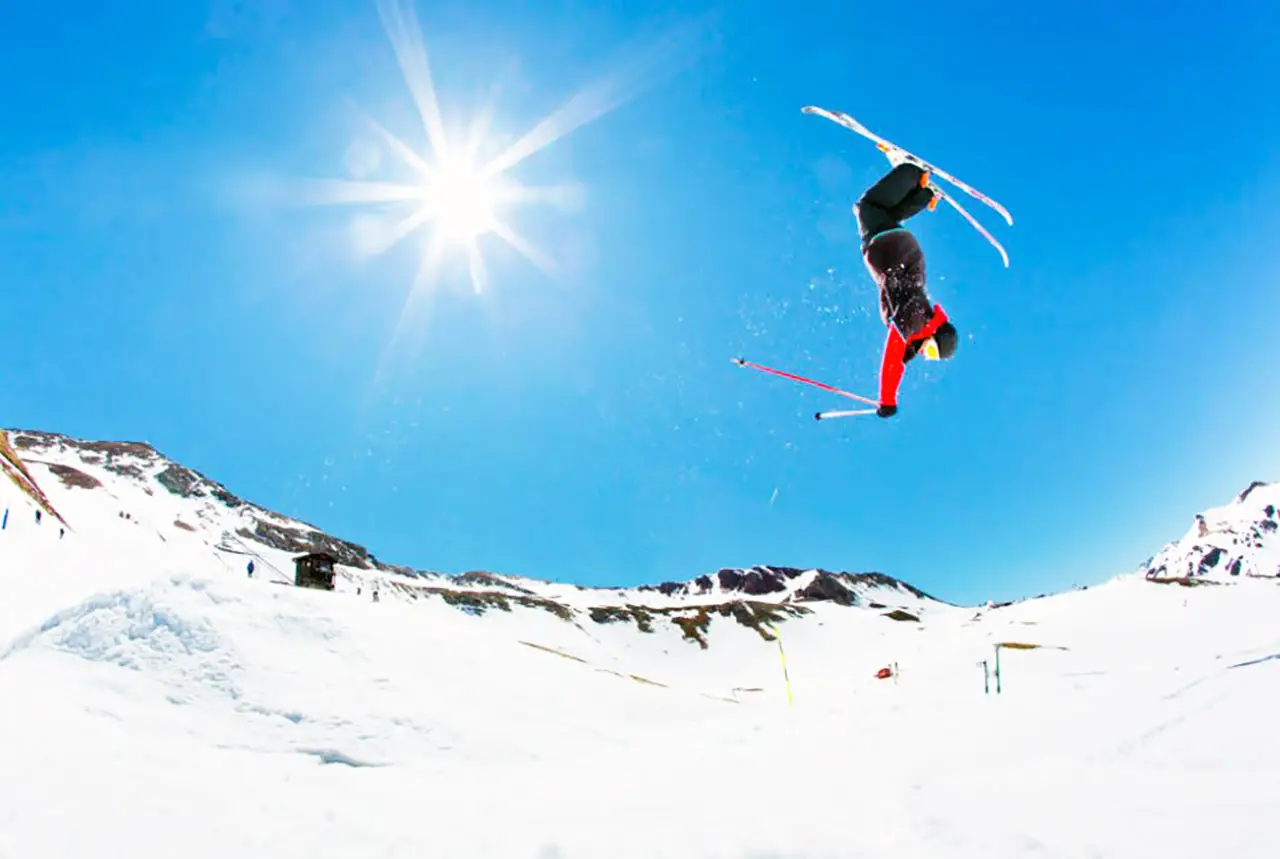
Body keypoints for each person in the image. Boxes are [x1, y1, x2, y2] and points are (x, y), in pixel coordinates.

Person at [853, 158, 959, 417]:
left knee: (885, 214)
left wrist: (887, 401)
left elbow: (901, 358)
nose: (926, 354)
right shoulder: (916, 321)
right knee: (866, 207)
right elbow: (893, 359)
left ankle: (924, 194)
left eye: (931, 356)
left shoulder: (919, 322)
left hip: (898, 247)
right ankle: (912, 172)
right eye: (932, 350)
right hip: (890, 249)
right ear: (935, 335)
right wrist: (887, 399)